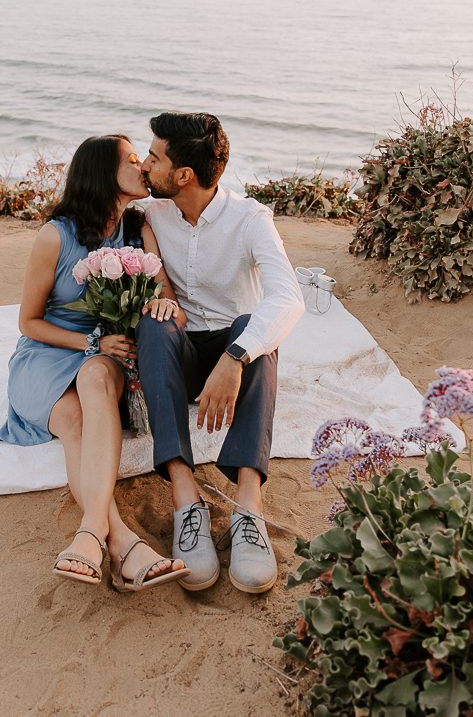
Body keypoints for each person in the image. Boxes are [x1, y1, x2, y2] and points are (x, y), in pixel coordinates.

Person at [0, 134, 191, 592]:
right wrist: (91, 340)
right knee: (75, 422)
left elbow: (170, 300)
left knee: (100, 376)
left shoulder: (138, 229)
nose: (143, 165)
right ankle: (119, 540)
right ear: (103, 172)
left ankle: (90, 537)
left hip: (103, 361)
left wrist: (161, 312)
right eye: (130, 159)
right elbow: (28, 322)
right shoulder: (55, 236)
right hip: (47, 355)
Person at [137, 112, 305, 594]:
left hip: (233, 356)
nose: (146, 165)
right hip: (180, 352)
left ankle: (248, 506)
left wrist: (234, 358)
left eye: (154, 157)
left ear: (183, 174)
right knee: (155, 318)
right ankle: (186, 497)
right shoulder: (151, 213)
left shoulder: (249, 219)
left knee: (257, 328)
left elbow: (289, 298)